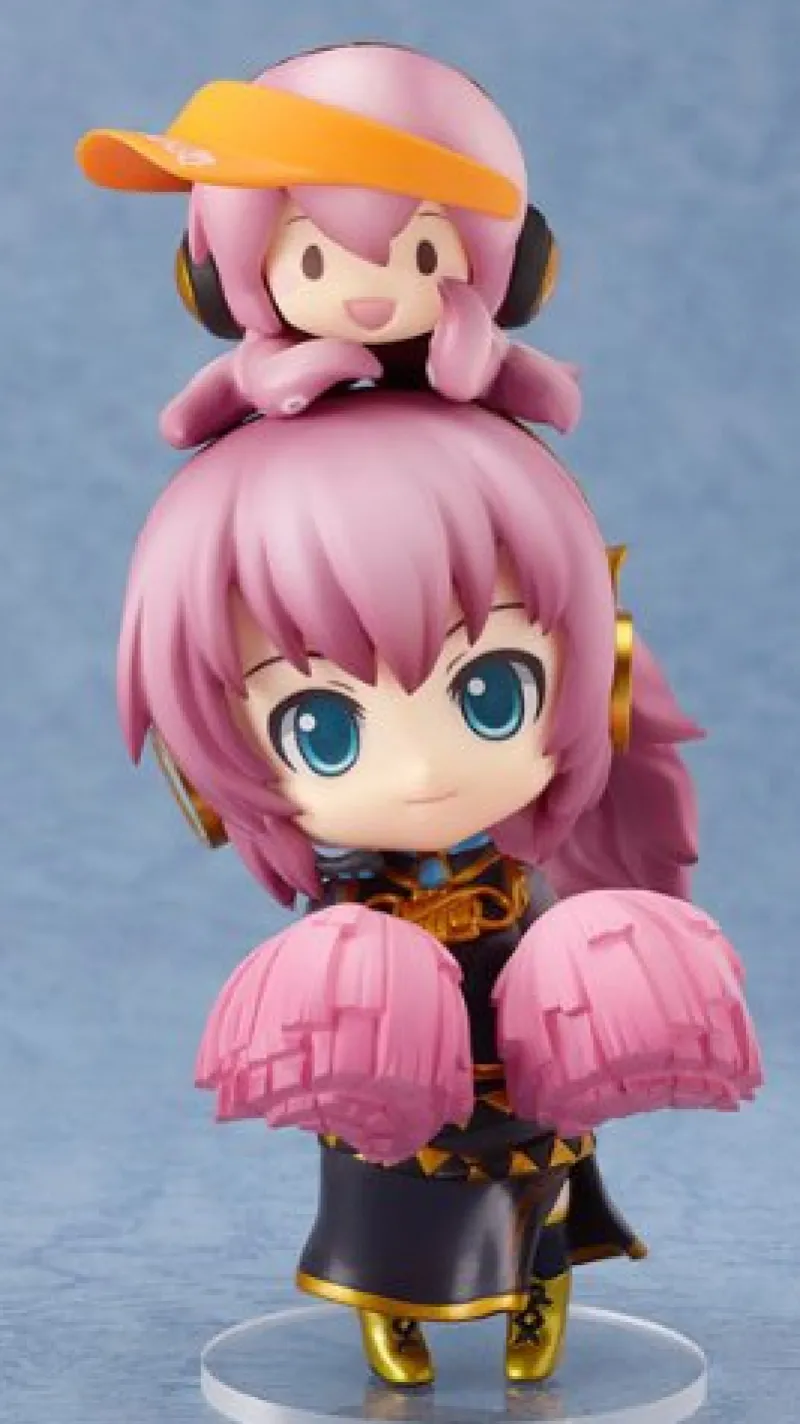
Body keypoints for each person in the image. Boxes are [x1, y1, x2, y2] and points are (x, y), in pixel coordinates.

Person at [117, 390, 761, 1387]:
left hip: (512, 998)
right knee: (383, 1168)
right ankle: (386, 1298)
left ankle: (540, 1279)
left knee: (541, 1156)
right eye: (322, 727)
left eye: (491, 691)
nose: (421, 771)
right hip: (385, 1028)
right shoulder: (347, 911)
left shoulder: (524, 875)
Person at [77, 43, 581, 449]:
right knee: (187, 418)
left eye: (423, 254)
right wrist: (294, 373)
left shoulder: (470, 325)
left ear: (518, 262)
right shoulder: (268, 350)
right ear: (212, 279)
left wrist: (467, 351)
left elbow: (495, 379)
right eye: (312, 262)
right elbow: (245, 387)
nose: (368, 295)